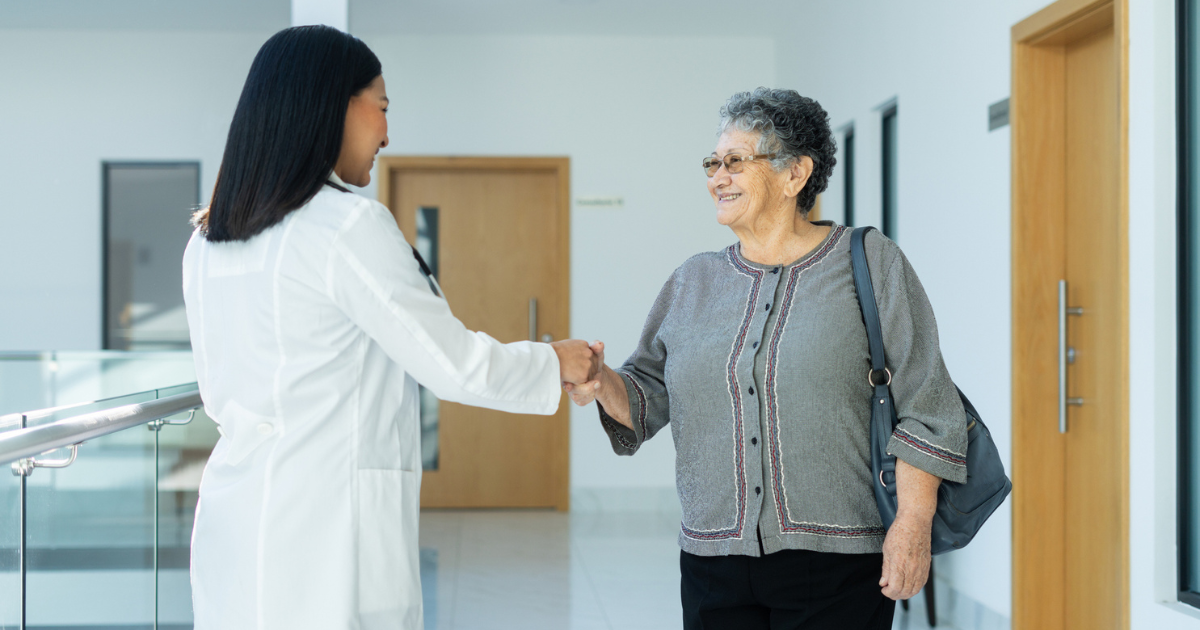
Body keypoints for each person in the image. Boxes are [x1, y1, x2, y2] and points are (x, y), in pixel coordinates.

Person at [182, 26, 599, 630]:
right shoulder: (346, 226)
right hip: (324, 532)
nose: (386, 134)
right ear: (334, 104)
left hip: (234, 520)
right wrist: (554, 360)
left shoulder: (207, 241)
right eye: (381, 107)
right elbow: (451, 364)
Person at [566, 88, 967, 629]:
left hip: (839, 561)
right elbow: (647, 395)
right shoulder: (693, 281)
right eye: (712, 163)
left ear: (795, 174)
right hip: (713, 559)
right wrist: (601, 380)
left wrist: (913, 524)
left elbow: (927, 406)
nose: (717, 177)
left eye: (735, 161)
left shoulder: (871, 262)